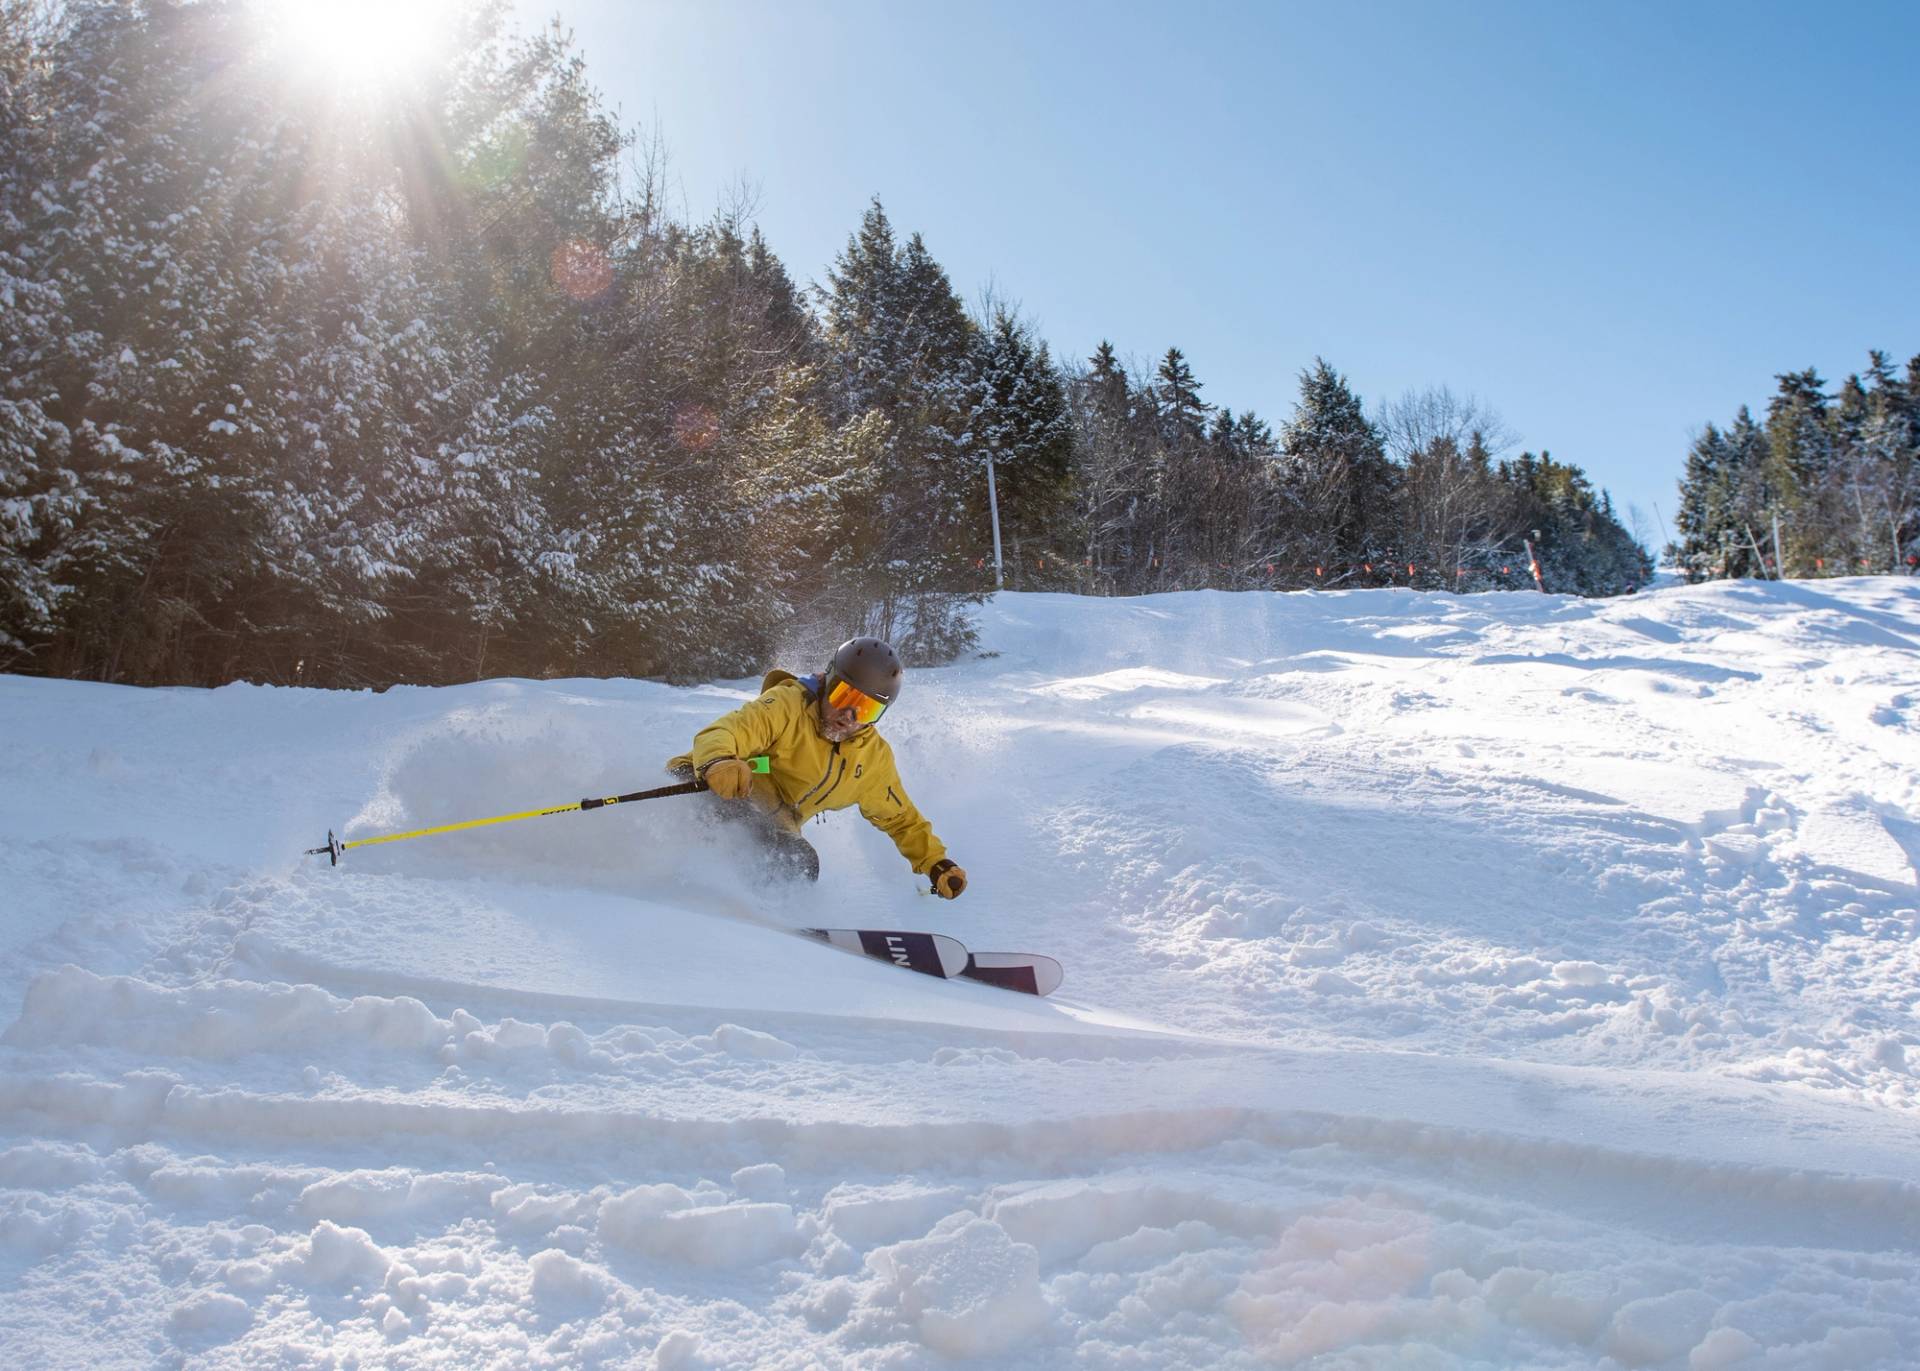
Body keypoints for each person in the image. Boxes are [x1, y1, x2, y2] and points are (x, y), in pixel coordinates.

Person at [667, 637, 967, 897]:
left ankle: (760, 916)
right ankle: (679, 883)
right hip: (710, 782)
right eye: (844, 696)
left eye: (866, 709)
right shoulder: (788, 705)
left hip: (775, 818)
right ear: (828, 681)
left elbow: (901, 820)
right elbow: (728, 731)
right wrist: (718, 760)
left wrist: (936, 863)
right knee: (728, 815)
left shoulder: (871, 760)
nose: (849, 716)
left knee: (800, 862)